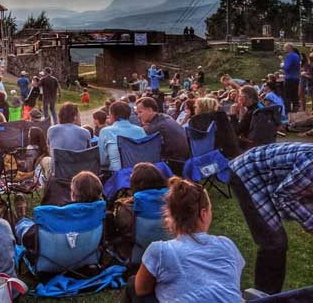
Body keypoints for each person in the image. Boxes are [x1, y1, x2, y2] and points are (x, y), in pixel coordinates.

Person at [126, 177, 244, 303]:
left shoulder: (160, 251)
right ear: (204, 214)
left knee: (133, 284)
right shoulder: (227, 245)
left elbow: (141, 290)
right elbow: (232, 280)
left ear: (170, 216)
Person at [228, 142, 313, 295]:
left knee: (275, 240)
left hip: (269, 176)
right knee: (274, 241)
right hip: (247, 172)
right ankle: (263, 295)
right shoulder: (311, 166)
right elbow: (284, 197)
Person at [135, 97, 190, 165]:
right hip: (184, 160)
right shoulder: (166, 117)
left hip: (173, 165)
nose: (138, 116)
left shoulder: (154, 127)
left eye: (140, 112)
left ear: (150, 110)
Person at [98, 101, 146, 171]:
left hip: (118, 175)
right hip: (140, 171)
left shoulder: (105, 131)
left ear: (112, 115)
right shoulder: (140, 130)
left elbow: (103, 160)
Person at [281, 43, 301, 113]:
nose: (284, 49)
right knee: (295, 95)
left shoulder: (289, 56)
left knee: (287, 97)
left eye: (285, 47)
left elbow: (287, 67)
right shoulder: (297, 55)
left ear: (289, 48)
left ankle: (288, 113)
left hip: (289, 78)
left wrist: (282, 65)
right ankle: (295, 112)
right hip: (296, 78)